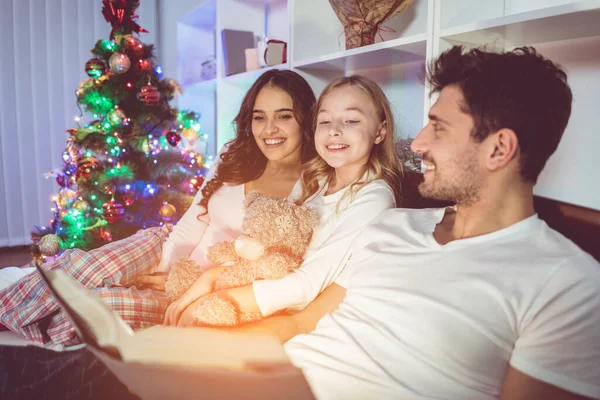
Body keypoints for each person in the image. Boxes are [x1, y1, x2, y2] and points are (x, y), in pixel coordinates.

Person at [0, 68, 318, 344]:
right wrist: (166, 263)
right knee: (83, 269)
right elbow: (195, 217)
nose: (269, 130)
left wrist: (188, 282)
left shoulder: (312, 187)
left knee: (93, 310)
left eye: (284, 116)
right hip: (163, 247)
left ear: (305, 119)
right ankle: (5, 307)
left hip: (195, 291)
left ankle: (15, 314)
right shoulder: (234, 154)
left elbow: (276, 268)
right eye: (259, 117)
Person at [164, 75, 402, 326]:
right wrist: (211, 277)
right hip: (258, 298)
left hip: (289, 316)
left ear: (380, 131)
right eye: (325, 121)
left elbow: (306, 284)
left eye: (351, 120)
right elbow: (269, 253)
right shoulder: (317, 182)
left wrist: (217, 293)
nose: (334, 130)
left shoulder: (374, 198)